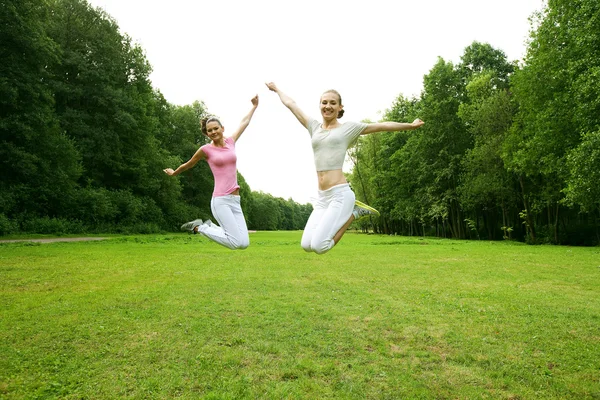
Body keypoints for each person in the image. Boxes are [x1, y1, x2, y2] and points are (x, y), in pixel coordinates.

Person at [266, 82, 424, 254]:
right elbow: (291, 104)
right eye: (324, 102)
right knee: (306, 245)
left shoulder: (348, 129)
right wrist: (276, 89)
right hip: (322, 197)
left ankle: (355, 214)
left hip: (339, 194)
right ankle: (353, 212)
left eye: (333, 103)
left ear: (340, 107)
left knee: (320, 246)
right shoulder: (314, 127)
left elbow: (381, 125)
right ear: (320, 105)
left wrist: (410, 125)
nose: (328, 106)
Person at [163, 95, 259, 250]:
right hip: (220, 200)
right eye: (209, 131)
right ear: (206, 134)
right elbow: (189, 164)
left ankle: (208, 226)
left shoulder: (231, 142)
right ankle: (199, 228)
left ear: (222, 128)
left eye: (215, 128)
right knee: (235, 243)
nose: (213, 132)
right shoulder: (205, 150)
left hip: (235, 200)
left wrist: (254, 107)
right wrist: (174, 173)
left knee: (244, 243)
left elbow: (244, 123)